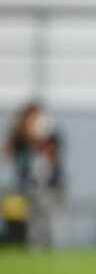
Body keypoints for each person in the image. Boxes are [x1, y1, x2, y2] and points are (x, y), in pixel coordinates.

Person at [3, 101, 65, 247]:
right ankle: (32, 247)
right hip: (26, 186)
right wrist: (23, 132)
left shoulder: (51, 135)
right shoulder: (19, 136)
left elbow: (53, 158)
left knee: (49, 221)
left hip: (50, 186)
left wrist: (40, 139)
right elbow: (7, 153)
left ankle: (51, 248)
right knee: (30, 221)